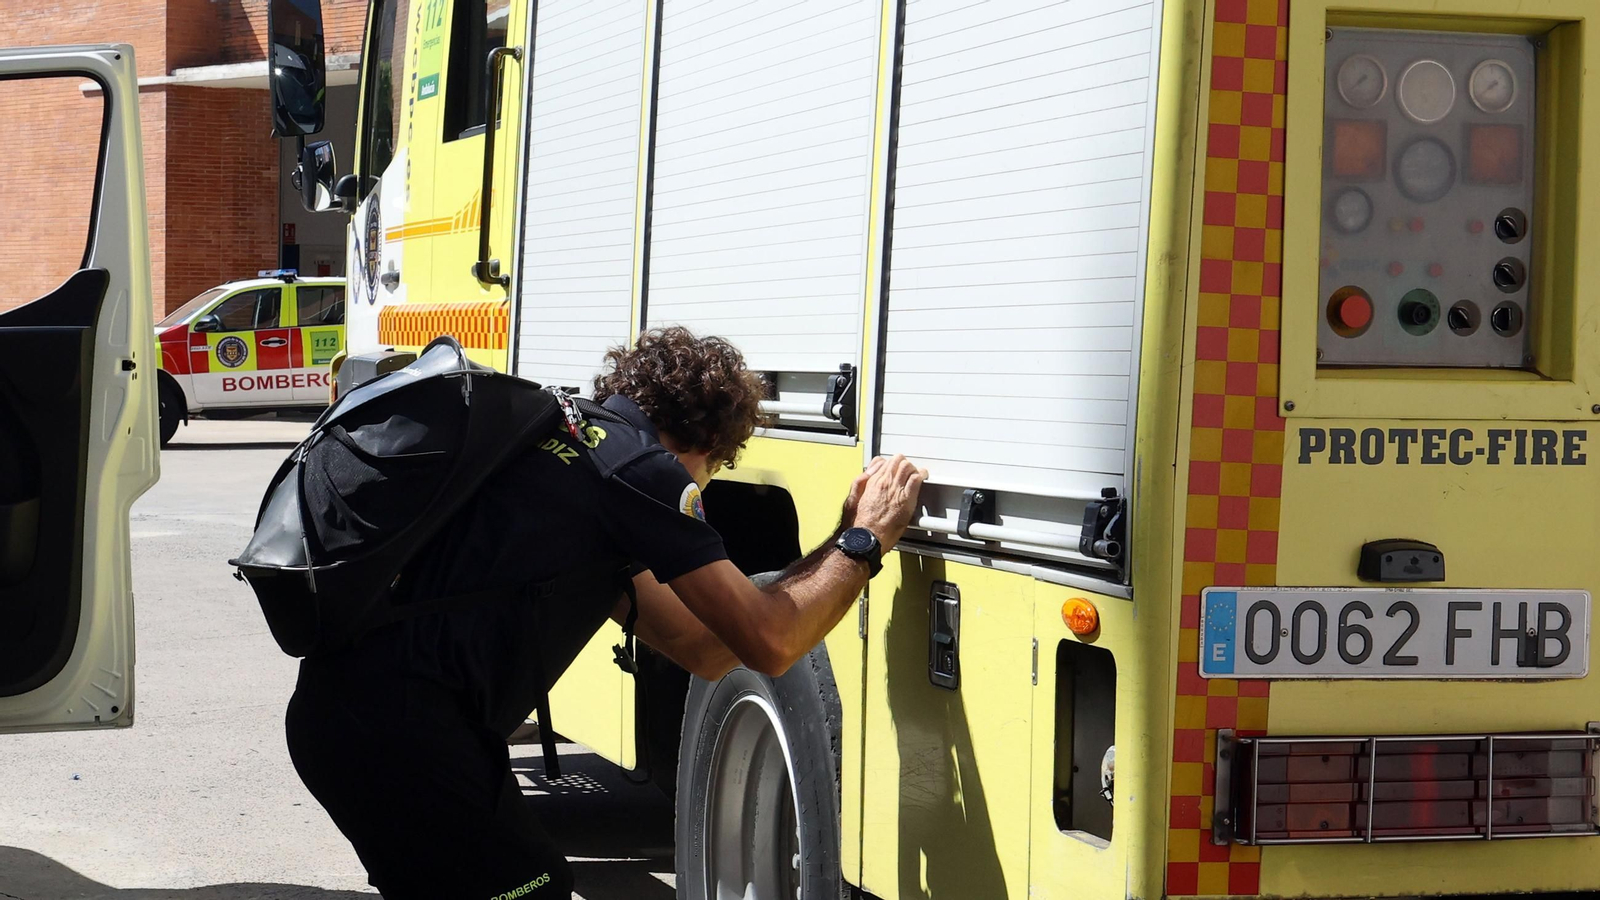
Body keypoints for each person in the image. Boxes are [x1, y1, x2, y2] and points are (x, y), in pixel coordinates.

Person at [284, 326, 928, 899]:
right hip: (405, 740)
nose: (707, 484)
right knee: (530, 887)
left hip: (341, 722)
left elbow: (705, 650)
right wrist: (859, 542)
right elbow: (771, 641)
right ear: (705, 443)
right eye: (717, 467)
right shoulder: (638, 473)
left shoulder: (558, 444)